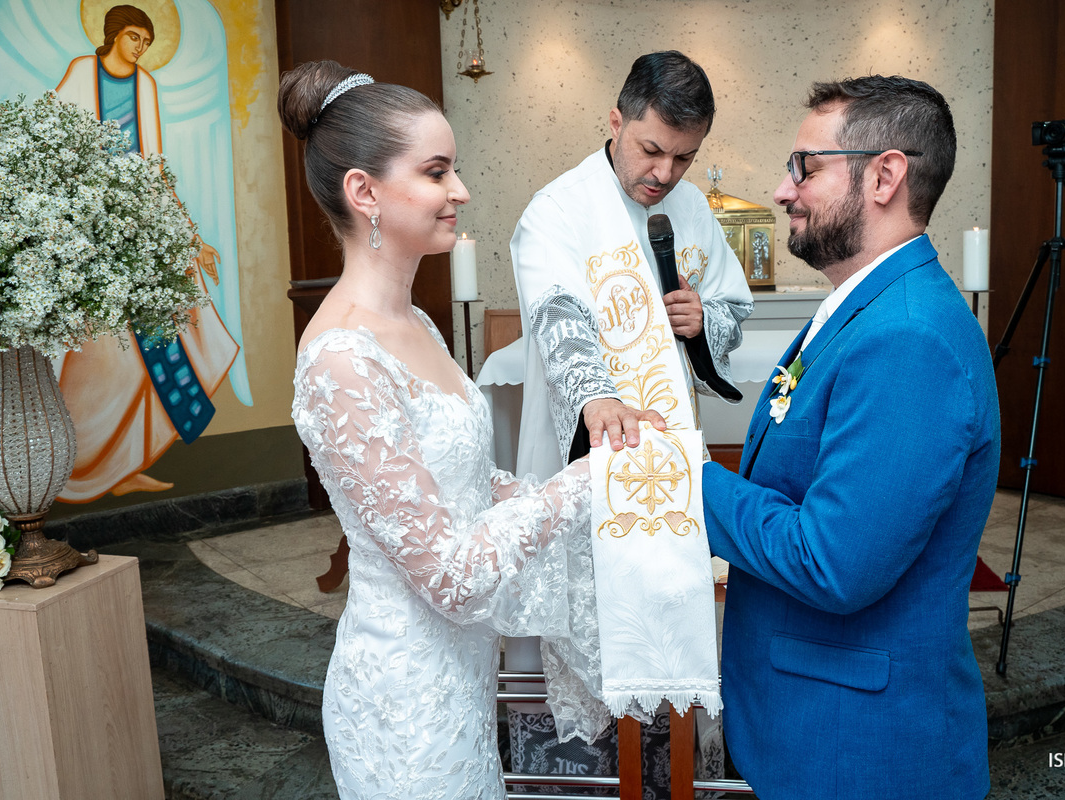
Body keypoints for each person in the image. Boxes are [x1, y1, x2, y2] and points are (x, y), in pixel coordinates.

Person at [281, 61, 606, 799]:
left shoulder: (415, 322)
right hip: (405, 708)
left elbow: (451, 478)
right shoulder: (342, 359)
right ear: (364, 191)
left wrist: (548, 490)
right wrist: (571, 493)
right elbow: (452, 580)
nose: (459, 190)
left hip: (458, 683)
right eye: (436, 172)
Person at [701, 76, 1000, 799]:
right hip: (812, 720)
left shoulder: (908, 338)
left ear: (886, 176)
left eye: (805, 166)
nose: (781, 189)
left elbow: (835, 563)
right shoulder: (862, 307)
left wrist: (688, 479)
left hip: (858, 749)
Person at [508, 50, 751, 793]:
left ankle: (670, 764)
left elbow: (736, 309)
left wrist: (703, 318)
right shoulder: (558, 209)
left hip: (669, 456)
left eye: (685, 157)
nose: (666, 174)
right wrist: (593, 394)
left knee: (668, 616)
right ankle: (596, 771)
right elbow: (558, 315)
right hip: (591, 453)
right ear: (615, 121)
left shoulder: (692, 209)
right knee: (600, 637)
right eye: (652, 150)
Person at [54, 3, 238, 501]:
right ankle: (74, 464)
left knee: (143, 355)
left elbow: (154, 168)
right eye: (134, 37)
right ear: (113, 35)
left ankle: (124, 466)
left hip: (137, 224)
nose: (139, 48)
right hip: (93, 228)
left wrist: (191, 236)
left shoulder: (145, 85)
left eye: (146, 42)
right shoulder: (82, 72)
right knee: (101, 359)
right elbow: (58, 144)